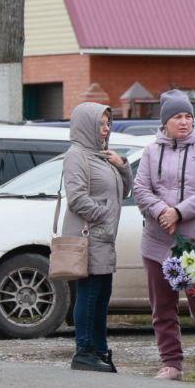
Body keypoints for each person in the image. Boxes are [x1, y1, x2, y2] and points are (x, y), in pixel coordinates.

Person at [132, 90, 195, 381]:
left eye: (188, 116)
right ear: (165, 122)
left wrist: (179, 212)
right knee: (162, 307)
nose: (184, 122)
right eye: (177, 117)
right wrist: (163, 211)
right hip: (158, 241)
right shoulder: (151, 151)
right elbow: (140, 189)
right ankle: (171, 363)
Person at [63, 101, 133, 373]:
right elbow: (77, 198)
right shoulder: (77, 155)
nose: (105, 130)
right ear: (86, 125)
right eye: (100, 125)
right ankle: (84, 351)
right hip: (90, 236)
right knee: (89, 294)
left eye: (107, 124)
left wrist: (122, 165)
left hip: (105, 237)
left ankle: (101, 349)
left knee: (103, 295)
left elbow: (124, 192)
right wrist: (103, 214)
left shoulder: (102, 155)